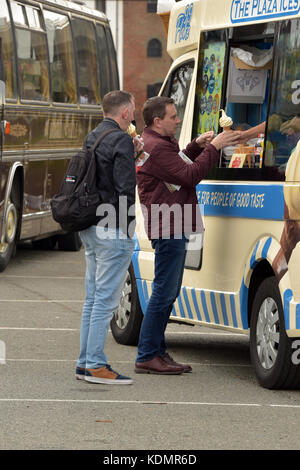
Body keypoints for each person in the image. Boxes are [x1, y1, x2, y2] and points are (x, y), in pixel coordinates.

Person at [135, 96, 241, 375]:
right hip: (169, 226)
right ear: (158, 121)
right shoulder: (156, 148)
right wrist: (215, 147)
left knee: (166, 292)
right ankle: (148, 354)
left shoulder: (155, 143)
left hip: (170, 224)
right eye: (173, 116)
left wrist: (195, 146)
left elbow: (177, 165)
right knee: (164, 293)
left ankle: (156, 352)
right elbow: (190, 175)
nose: (178, 119)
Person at [75, 90, 138, 385]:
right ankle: (96, 365)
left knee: (92, 299)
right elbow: (125, 187)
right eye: (133, 110)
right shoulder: (122, 139)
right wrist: (127, 230)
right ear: (124, 112)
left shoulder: (94, 136)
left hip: (90, 224)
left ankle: (85, 362)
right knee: (105, 301)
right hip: (113, 227)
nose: (134, 115)